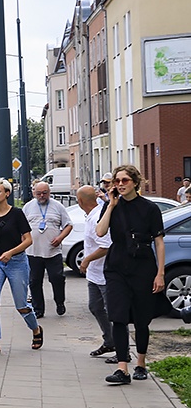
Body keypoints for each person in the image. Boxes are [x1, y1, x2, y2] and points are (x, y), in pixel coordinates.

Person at [96, 165, 167, 385]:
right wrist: (110, 205)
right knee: (117, 316)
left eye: (125, 180)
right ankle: (122, 368)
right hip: (117, 265)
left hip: (143, 266)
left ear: (135, 182)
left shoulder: (149, 208)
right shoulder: (112, 206)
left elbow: (159, 241)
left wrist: (160, 273)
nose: (120, 184)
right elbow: (100, 232)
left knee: (141, 318)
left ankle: (141, 363)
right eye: (117, 181)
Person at [0, 178, 43, 355]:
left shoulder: (17, 214)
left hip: (17, 263)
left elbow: (28, 240)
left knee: (21, 305)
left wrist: (11, 252)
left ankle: (36, 329)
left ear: (7, 194)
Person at [23, 181, 72, 318]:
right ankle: (38, 309)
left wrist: (60, 238)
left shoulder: (57, 206)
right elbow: (21, 227)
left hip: (52, 252)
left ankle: (60, 302)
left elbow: (68, 225)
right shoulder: (28, 207)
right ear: (34, 193)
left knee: (57, 278)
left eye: (45, 193)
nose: (42, 196)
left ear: (49, 193)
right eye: (39, 193)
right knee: (34, 281)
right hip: (33, 252)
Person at [76, 186, 115, 359]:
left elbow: (106, 246)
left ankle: (123, 350)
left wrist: (86, 260)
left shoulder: (97, 218)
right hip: (95, 275)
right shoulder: (92, 215)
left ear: (80, 201)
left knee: (112, 311)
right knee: (95, 307)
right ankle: (109, 342)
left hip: (105, 274)